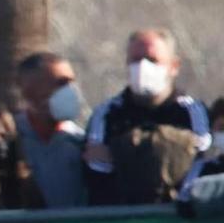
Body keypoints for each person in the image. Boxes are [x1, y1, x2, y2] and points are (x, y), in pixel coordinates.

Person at [84, 29, 212, 206]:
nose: (143, 67)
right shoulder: (107, 113)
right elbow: (98, 166)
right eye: (136, 60)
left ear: (173, 66)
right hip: (121, 219)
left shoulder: (191, 112)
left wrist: (119, 154)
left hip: (176, 218)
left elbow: (200, 157)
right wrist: (173, 150)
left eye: (153, 60)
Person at [12, 52, 89, 209]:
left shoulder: (81, 143)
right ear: (29, 91)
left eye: (71, 82)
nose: (70, 91)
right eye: (61, 83)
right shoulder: (9, 141)